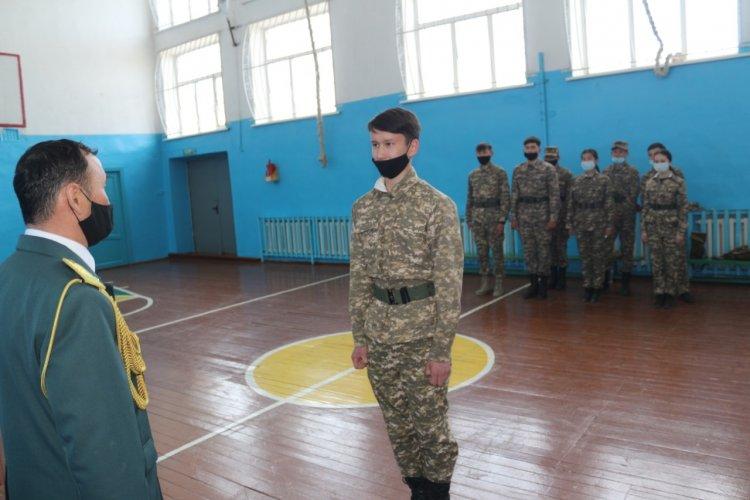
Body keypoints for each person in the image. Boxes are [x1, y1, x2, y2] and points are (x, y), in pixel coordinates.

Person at [0, 139, 162, 498]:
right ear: (76, 199)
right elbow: (105, 456)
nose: (107, 200)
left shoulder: (8, 276)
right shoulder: (77, 300)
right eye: (102, 188)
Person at [349, 108, 463, 499]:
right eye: (375, 145)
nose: (380, 153)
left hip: (421, 334)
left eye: (389, 144)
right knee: (397, 423)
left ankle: (437, 492)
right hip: (380, 334)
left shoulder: (436, 205)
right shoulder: (363, 207)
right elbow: (359, 277)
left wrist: (441, 351)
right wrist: (360, 336)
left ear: (412, 147)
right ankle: (417, 489)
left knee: (430, 425)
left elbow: (449, 284)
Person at [510, 136, 560, 299]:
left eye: (533, 147)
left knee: (543, 251)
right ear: (523, 150)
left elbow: (554, 195)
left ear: (539, 149)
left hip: (543, 215)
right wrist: (513, 216)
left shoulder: (548, 169)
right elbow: (514, 194)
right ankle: (533, 285)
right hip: (524, 216)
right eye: (527, 148)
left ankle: (543, 286)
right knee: (529, 251)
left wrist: (553, 217)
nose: (530, 150)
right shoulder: (518, 169)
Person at [642, 143, 693, 303]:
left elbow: (683, 207)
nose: (658, 163)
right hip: (654, 226)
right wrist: (644, 229)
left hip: (671, 226)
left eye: (661, 160)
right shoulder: (649, 181)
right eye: (654, 160)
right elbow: (645, 207)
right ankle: (660, 292)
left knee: (673, 261)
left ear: (668, 161)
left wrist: (681, 231)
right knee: (657, 261)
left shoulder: (678, 180)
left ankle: (674, 291)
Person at [567, 149, 614, 302]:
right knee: (585, 256)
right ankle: (588, 286)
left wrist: (609, 224)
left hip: (599, 222)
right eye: (584, 159)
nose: (586, 161)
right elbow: (571, 204)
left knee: (598, 256)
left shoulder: (604, 180)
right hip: (581, 222)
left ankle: (597, 287)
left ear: (596, 160)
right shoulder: (576, 180)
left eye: (589, 158)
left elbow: (609, 204)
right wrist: (569, 223)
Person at [466, 142, 510, 297]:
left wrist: (502, 220)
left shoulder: (500, 172)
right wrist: (469, 218)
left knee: (497, 251)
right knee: (481, 252)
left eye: (485, 152)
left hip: (494, 218)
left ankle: (499, 282)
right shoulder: (473, 174)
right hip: (478, 219)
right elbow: (470, 198)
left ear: (491, 153)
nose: (482, 155)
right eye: (479, 153)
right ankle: (485, 281)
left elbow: (505, 197)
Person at [603, 140, 640, 296]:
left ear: (626, 153)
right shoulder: (606, 171)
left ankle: (625, 283)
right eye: (615, 151)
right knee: (606, 248)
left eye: (621, 151)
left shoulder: (633, 171)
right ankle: (605, 281)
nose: (617, 154)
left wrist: (622, 200)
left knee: (627, 248)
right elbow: (604, 193)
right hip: (609, 217)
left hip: (626, 216)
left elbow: (634, 193)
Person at [544, 147, 573, 290]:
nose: (550, 160)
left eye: (553, 157)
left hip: (561, 217)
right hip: (545, 217)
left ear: (558, 157)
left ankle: (562, 279)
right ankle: (552, 277)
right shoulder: (541, 173)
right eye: (548, 157)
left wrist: (569, 219)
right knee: (549, 248)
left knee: (561, 248)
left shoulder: (566, 174)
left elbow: (570, 199)